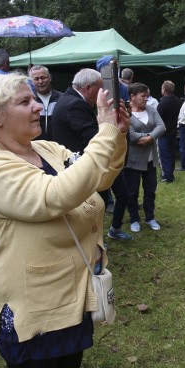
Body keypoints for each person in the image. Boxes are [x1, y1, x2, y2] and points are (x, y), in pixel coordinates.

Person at [0, 72, 128, 368]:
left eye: (33, 99)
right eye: (25, 102)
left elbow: (98, 177)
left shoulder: (49, 149)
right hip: (30, 303)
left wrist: (116, 134)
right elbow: (56, 195)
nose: (38, 105)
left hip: (70, 293)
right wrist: (104, 134)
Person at [52, 69, 134, 242]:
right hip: (89, 164)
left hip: (89, 163)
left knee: (117, 196)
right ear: (88, 88)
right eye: (101, 88)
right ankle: (96, 240)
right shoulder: (75, 104)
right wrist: (111, 125)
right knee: (100, 201)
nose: (105, 92)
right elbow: (93, 138)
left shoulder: (68, 99)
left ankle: (105, 234)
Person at [125, 83, 166, 232]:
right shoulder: (126, 113)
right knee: (132, 191)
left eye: (147, 96)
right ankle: (134, 219)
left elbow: (162, 126)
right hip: (133, 159)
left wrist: (148, 138)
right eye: (143, 96)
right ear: (132, 97)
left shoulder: (151, 109)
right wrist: (149, 135)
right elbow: (132, 136)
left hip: (150, 158)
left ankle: (150, 217)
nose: (146, 99)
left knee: (150, 189)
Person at [157, 81, 181, 183]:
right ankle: (170, 174)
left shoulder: (163, 103)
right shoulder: (177, 101)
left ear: (164, 90)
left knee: (164, 155)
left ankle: (167, 176)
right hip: (173, 131)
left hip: (164, 133)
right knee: (171, 154)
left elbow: (157, 118)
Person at [29, 64, 62, 141]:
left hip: (58, 145)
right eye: (36, 79)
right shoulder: (29, 101)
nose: (40, 81)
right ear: (31, 81)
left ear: (50, 78)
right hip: (36, 145)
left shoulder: (62, 98)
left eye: (43, 78)